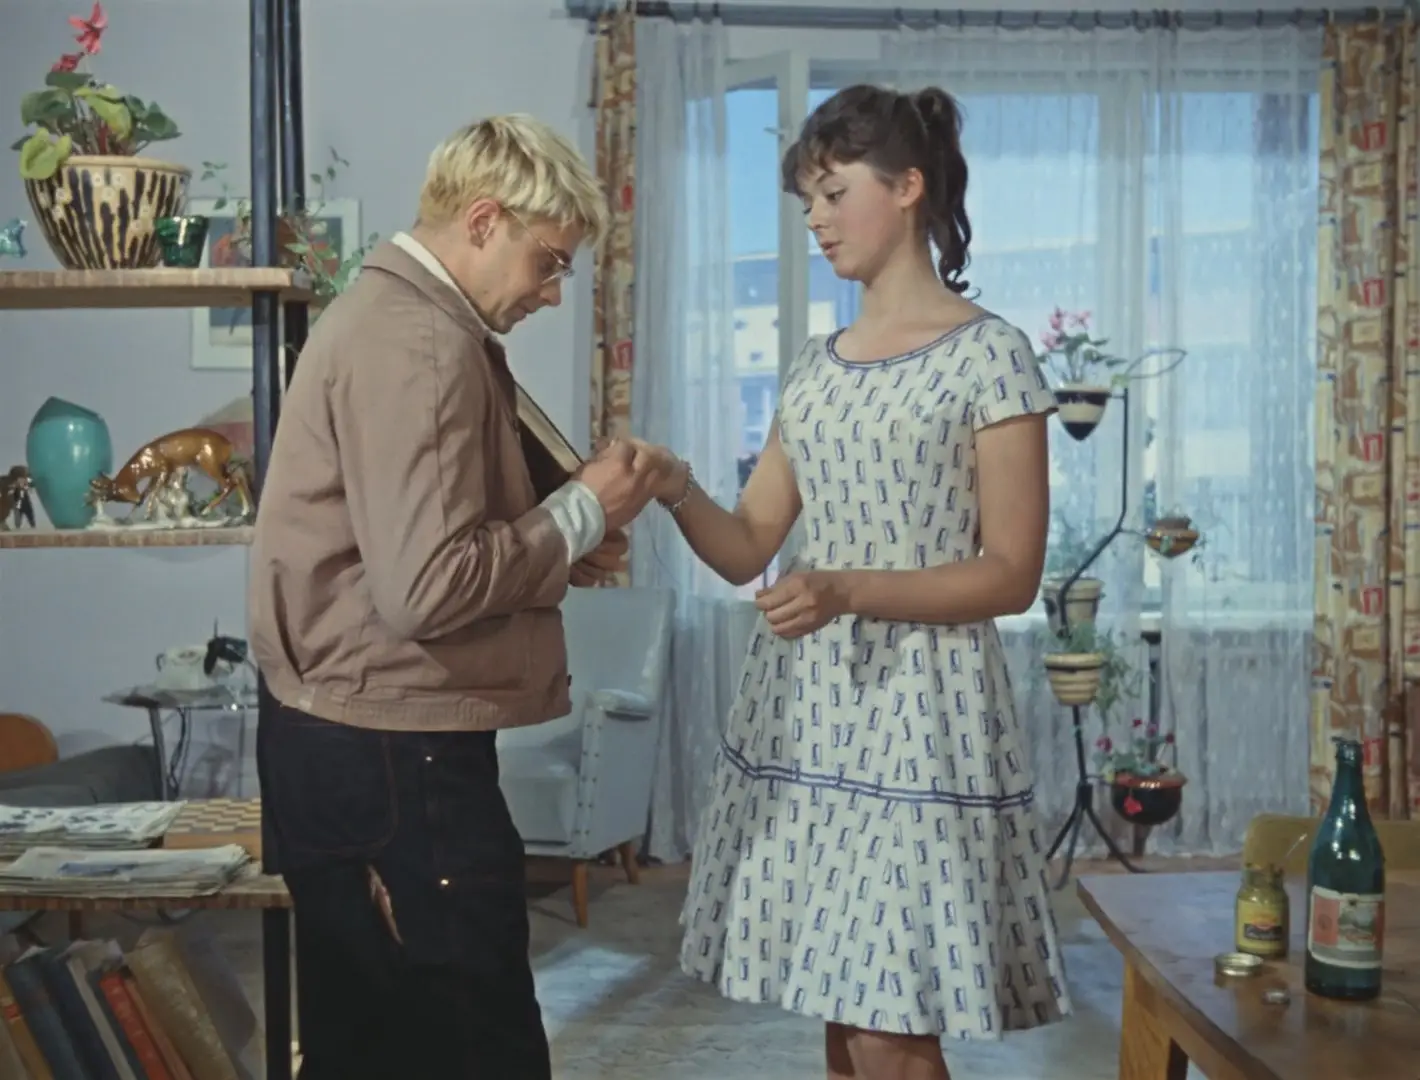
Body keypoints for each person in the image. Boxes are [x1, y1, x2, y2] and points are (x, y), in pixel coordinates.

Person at [630, 84, 1072, 1079]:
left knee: (887, 1023)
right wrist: (673, 484)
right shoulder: (813, 367)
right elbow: (748, 544)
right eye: (807, 203)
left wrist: (843, 591)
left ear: (907, 187)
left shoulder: (990, 356)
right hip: (809, 712)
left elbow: (1011, 574)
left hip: (924, 715)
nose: (816, 221)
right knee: (842, 1014)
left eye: (833, 194)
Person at [247, 114, 667, 1080]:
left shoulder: (391, 319)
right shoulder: (422, 342)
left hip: (351, 741)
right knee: (476, 1046)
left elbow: (411, 547)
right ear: (483, 221)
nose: (553, 293)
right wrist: (581, 515)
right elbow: (427, 587)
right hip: (396, 755)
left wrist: (563, 535)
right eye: (548, 262)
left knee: (369, 1045)